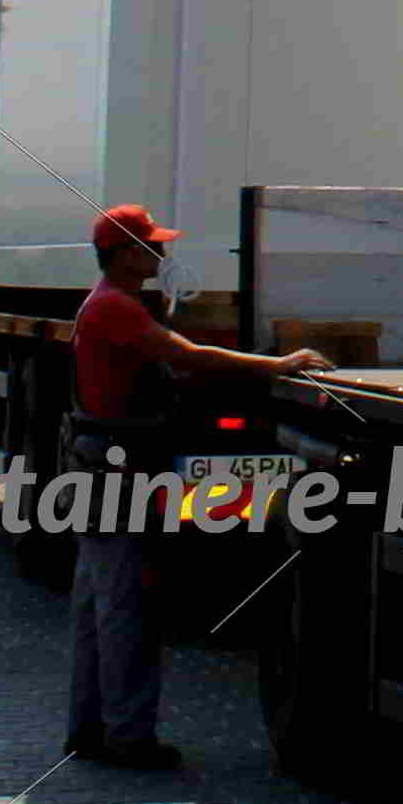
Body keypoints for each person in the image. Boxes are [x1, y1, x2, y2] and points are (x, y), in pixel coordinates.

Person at [63, 203, 333, 771]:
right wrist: (277, 365)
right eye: (152, 245)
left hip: (99, 467)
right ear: (125, 253)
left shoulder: (111, 304)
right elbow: (186, 357)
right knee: (127, 611)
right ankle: (128, 739)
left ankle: (90, 730)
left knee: (97, 607)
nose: (162, 253)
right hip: (119, 472)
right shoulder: (114, 307)